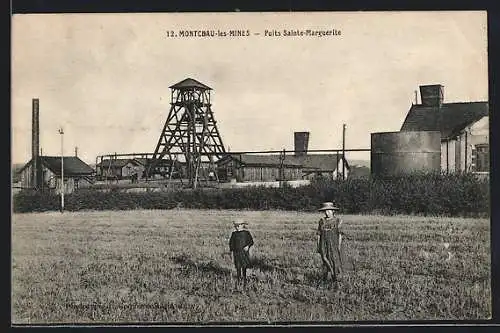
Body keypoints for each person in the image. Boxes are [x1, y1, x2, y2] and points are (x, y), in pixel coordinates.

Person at [316, 201, 344, 287]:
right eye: (325, 211)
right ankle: (327, 278)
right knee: (325, 259)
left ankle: (336, 279)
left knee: (335, 260)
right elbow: (319, 235)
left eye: (329, 211)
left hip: (333, 244)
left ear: (333, 211)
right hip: (324, 244)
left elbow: (340, 235)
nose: (327, 212)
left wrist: (338, 246)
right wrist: (318, 246)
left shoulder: (337, 221)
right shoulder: (322, 221)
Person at [229, 219, 254, 290]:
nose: (237, 227)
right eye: (235, 226)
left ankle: (245, 278)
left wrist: (248, 246)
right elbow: (231, 243)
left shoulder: (246, 233)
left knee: (244, 265)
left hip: (244, 252)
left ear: (242, 225)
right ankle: (239, 278)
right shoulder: (234, 234)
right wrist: (232, 251)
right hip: (236, 253)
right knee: (238, 266)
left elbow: (251, 241)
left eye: (238, 225)